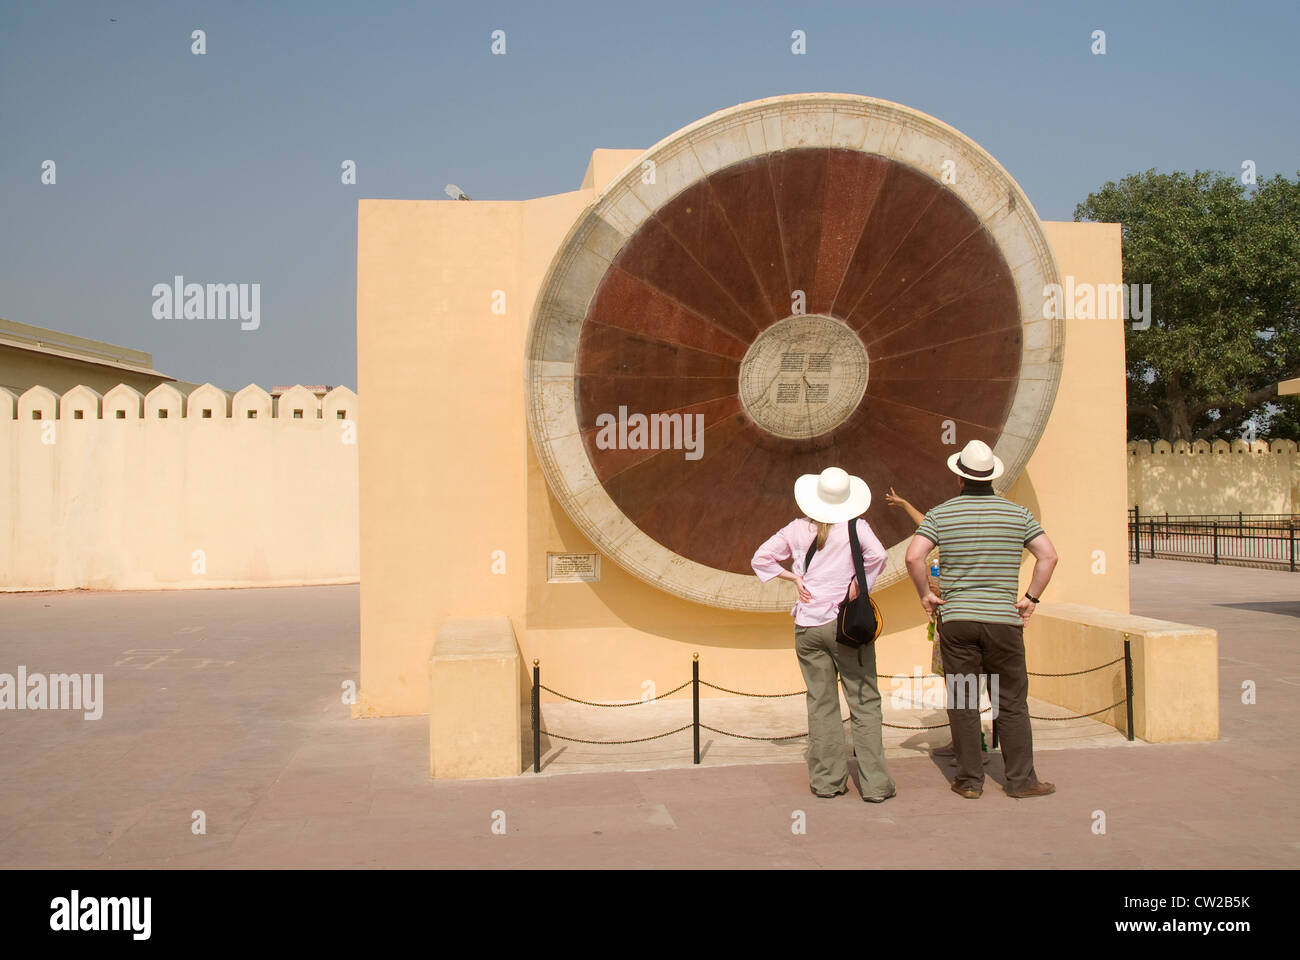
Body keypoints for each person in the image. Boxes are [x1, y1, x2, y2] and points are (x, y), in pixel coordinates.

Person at [904, 440, 1059, 800]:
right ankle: (1021, 781)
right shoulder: (1018, 514)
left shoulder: (940, 515)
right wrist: (1030, 598)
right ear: (992, 477)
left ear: (959, 477)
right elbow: (1048, 556)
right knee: (1011, 702)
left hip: (957, 620)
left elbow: (914, 557)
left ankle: (970, 781)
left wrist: (926, 594)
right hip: (1004, 620)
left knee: (963, 698)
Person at [752, 467, 895, 802]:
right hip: (847, 626)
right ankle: (875, 785)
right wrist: (858, 586)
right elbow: (879, 556)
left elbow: (761, 558)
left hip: (808, 626)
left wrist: (794, 579)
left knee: (821, 704)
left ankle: (828, 782)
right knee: (864, 702)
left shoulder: (798, 529)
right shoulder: (857, 527)